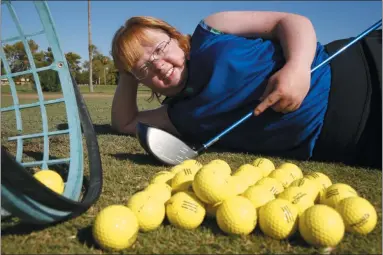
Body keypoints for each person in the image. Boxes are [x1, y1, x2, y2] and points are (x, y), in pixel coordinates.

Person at [110, 11, 382, 169]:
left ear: (175, 37)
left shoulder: (211, 28)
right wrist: (128, 70)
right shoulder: (177, 116)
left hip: (361, 64)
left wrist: (297, 67)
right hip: (357, 142)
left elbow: (289, 22)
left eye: (160, 49)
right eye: (144, 68)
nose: (158, 65)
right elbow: (125, 122)